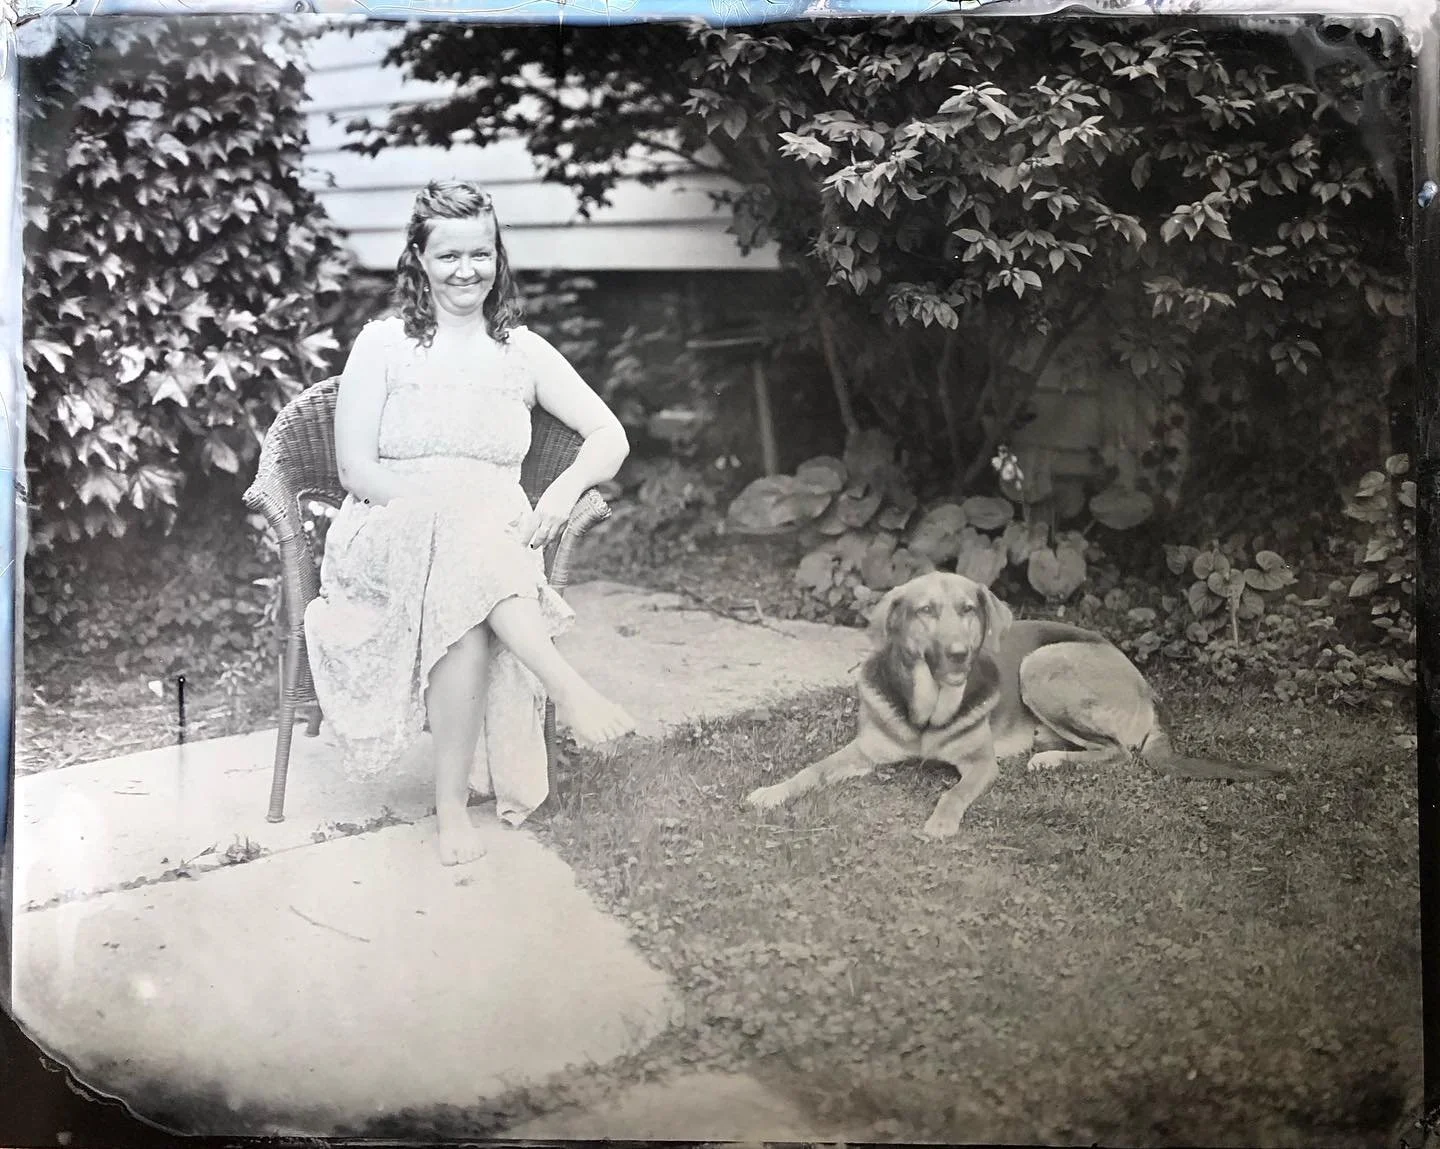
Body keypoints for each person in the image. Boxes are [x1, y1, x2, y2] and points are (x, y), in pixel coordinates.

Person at [304, 180, 637, 867]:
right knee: (465, 544)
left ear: (497, 255)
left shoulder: (521, 349)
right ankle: (567, 689)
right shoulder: (384, 343)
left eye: (480, 253)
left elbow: (610, 434)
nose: (467, 270)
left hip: (487, 536)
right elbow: (354, 469)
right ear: (419, 260)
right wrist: (436, 509)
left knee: (466, 575)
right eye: (449, 254)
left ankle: (452, 806)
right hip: (390, 522)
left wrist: (564, 488)